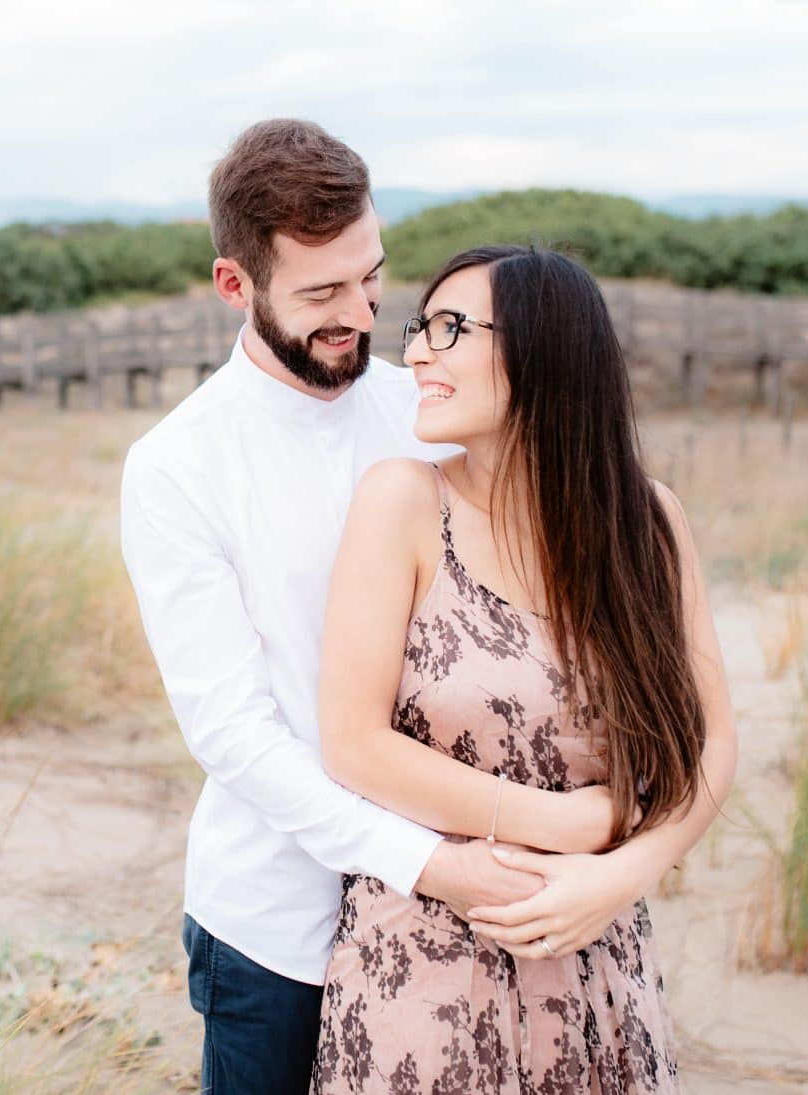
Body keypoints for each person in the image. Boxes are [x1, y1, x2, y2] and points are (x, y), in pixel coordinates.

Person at [120, 121, 556, 1094]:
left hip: (454, 916)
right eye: (320, 293)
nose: (358, 316)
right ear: (235, 285)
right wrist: (424, 860)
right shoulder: (175, 468)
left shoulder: (428, 414)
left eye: (370, 280)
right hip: (280, 928)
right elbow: (233, 733)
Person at [310, 245, 738, 1092]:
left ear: (545, 347)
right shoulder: (402, 500)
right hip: (424, 967)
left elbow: (712, 743)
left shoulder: (647, 523)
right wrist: (563, 823)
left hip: (599, 957)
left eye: (449, 327)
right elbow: (353, 744)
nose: (418, 353)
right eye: (420, 327)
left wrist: (621, 873)